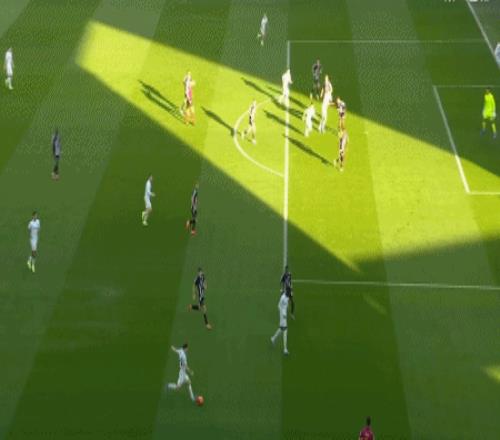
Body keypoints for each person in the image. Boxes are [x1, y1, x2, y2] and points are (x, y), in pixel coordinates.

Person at [270, 290, 290, 355]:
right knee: (285, 330)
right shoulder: (282, 297)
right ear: (286, 292)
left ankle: (273, 338)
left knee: (281, 329)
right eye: (288, 293)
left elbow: (286, 304)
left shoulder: (287, 296)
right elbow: (279, 306)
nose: (288, 294)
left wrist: (286, 310)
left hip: (285, 315)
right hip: (282, 316)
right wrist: (282, 314)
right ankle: (285, 349)